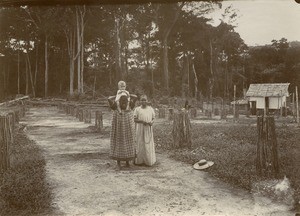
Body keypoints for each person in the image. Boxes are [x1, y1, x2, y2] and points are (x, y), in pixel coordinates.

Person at [108, 93, 137, 170]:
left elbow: (135, 97)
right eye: (122, 101)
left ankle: (127, 162)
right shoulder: (116, 107)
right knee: (119, 145)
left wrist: (127, 94)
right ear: (119, 102)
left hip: (128, 129)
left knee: (128, 144)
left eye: (125, 101)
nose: (123, 103)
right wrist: (117, 94)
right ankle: (118, 164)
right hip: (119, 130)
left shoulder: (130, 105)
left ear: (127, 101)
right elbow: (109, 99)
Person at [133, 94, 156, 166]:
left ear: (147, 101)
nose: (143, 101)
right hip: (140, 128)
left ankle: (148, 161)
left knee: (147, 143)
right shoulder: (137, 109)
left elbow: (153, 118)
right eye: (142, 100)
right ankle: (139, 161)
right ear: (140, 101)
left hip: (148, 129)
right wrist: (142, 122)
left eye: (145, 100)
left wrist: (151, 122)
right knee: (140, 143)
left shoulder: (150, 109)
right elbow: (134, 119)